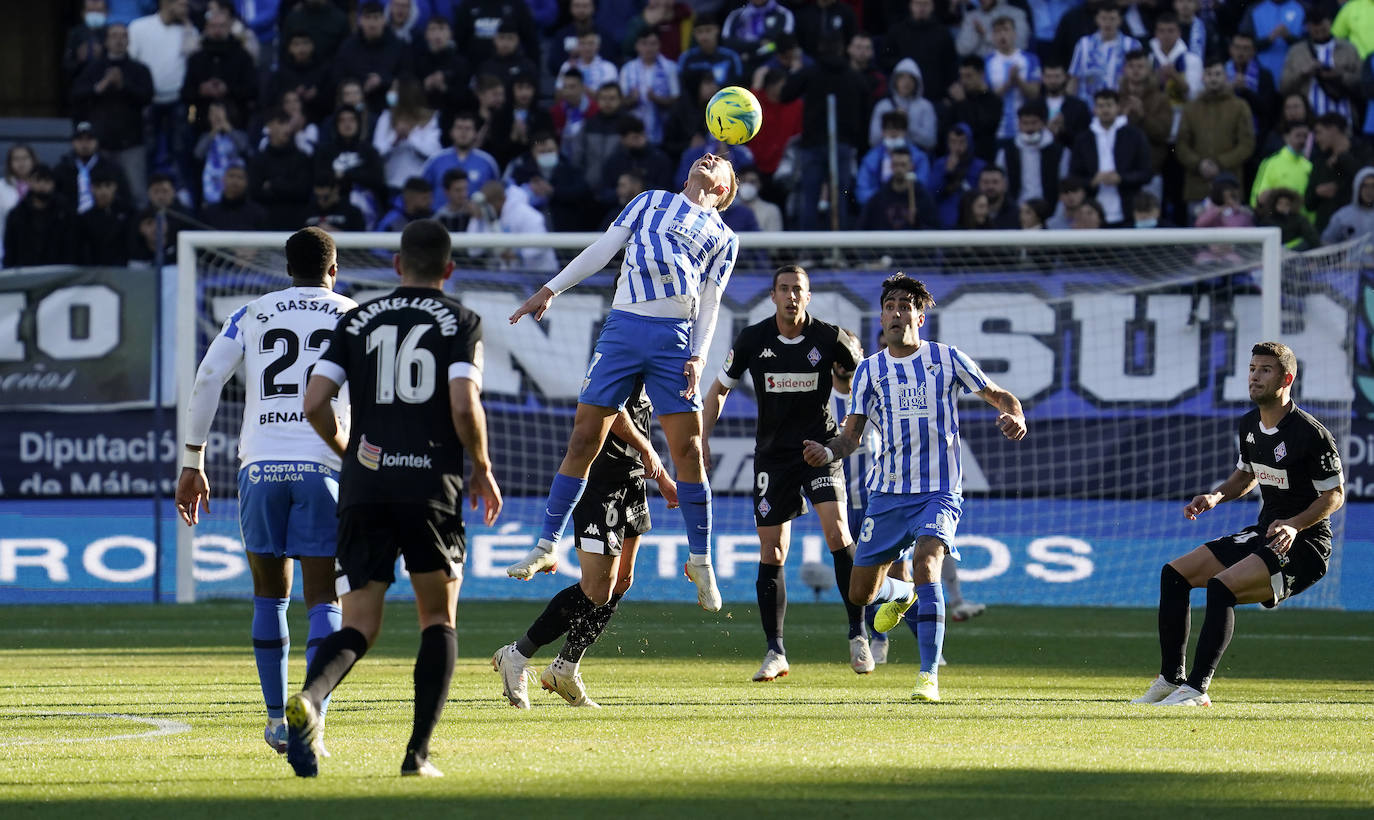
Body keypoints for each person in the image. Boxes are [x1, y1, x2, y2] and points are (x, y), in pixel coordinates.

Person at [287, 219, 501, 778]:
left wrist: (348, 449)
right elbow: (462, 404)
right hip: (430, 484)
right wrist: (480, 466)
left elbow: (314, 401)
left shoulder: (356, 318)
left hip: (366, 484)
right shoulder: (461, 320)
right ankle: (416, 756)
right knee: (437, 617)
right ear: (448, 270)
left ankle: (310, 698)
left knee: (359, 621)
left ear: (397, 266)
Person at [505, 153, 740, 612]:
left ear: (725, 190)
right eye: (704, 155)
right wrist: (550, 289)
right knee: (584, 437)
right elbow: (601, 250)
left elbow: (711, 301)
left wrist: (699, 354)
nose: (708, 157)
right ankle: (547, 543)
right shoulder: (649, 201)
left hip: (674, 338)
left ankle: (700, 559)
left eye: (720, 163)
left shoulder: (724, 237)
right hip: (624, 327)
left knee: (689, 451)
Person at [802, 274, 1026, 702]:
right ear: (882, 316)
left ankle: (928, 676)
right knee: (860, 593)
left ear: (920, 316)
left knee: (926, 566)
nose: (897, 311)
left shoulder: (948, 359)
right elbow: (850, 438)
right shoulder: (869, 370)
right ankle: (901, 594)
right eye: (890, 305)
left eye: (906, 305)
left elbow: (1001, 396)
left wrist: (1015, 416)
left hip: (939, 490)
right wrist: (827, 452)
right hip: (887, 493)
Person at [176, 227, 356, 757]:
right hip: (323, 464)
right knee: (323, 596)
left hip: (261, 466)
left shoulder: (253, 312)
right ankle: (313, 712)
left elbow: (209, 376)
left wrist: (192, 462)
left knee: (269, 596)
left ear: (287, 268)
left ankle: (278, 720)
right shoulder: (352, 313)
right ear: (334, 268)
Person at [1133, 342, 1344, 707]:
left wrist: (1294, 525)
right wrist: (1215, 497)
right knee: (1175, 574)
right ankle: (1171, 678)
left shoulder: (1311, 433)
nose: (1254, 376)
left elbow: (1335, 496)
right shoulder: (1249, 423)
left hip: (1304, 544)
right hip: (1264, 532)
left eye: (1265, 370)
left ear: (1286, 378)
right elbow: (1245, 474)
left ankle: (1197, 690)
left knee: (1221, 588)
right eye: (1251, 369)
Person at [701, 266, 871, 680]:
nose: (791, 296)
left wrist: (845, 432)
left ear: (808, 297)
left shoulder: (830, 338)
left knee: (838, 534)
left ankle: (858, 633)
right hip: (774, 457)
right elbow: (719, 390)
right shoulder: (753, 339)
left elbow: (862, 385)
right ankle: (775, 651)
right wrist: (701, 440)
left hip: (820, 449)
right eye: (784, 289)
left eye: (799, 290)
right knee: (773, 551)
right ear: (773, 296)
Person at [493, 380, 678, 708]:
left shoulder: (657, 355)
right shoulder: (623, 347)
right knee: (596, 588)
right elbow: (612, 409)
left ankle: (565, 668)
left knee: (622, 580)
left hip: (632, 478)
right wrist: (651, 452)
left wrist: (656, 471)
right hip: (601, 480)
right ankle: (517, 655)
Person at [70, 23, 153, 203]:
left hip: (131, 144)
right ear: (106, 41)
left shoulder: (139, 69)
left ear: (129, 40)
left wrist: (124, 86)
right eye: (114, 36)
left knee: (137, 194)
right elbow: (77, 95)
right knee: (96, 194)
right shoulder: (93, 69)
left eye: (123, 36)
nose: (119, 40)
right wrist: (100, 86)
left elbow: (147, 97)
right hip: (100, 144)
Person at [1175, 59, 1256, 210]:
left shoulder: (1240, 107)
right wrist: (1200, 164)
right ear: (1202, 78)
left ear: (1226, 77)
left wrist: (1219, 163)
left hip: (1230, 187)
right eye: (1209, 74)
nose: (1213, 78)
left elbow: (1247, 145)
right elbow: (1180, 145)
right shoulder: (1190, 108)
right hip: (1197, 187)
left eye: (1218, 74)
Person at [1070, 89, 1153, 226]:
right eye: (1101, 106)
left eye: (1109, 105)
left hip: (1128, 210)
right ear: (1094, 109)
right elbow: (1074, 176)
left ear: (1118, 107)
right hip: (1093, 212)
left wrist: (1121, 178)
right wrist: (1092, 181)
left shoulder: (1134, 135)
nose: (1105, 110)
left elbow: (1146, 173)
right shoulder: (1083, 139)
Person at [1306, 113, 1372, 232]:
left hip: (1357, 234)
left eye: (1319, 132)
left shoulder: (1364, 151)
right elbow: (1308, 203)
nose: (1316, 139)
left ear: (1333, 130)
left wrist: (1343, 158)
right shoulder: (1320, 160)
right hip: (1324, 234)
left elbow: (1365, 178)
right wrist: (1318, 192)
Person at [419, 112, 500, 206]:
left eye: (468, 129)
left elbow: (495, 193)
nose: (463, 132)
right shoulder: (436, 160)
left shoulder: (487, 162)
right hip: (438, 218)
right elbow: (421, 190)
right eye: (459, 128)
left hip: (475, 219)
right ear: (451, 132)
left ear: (475, 133)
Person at [1068, 3, 1141, 102]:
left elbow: (1140, 79)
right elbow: (1074, 78)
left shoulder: (1132, 45)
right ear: (1097, 19)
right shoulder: (1083, 44)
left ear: (1120, 20)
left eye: (1112, 19)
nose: (1107, 23)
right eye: (1104, 18)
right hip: (1087, 105)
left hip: (1120, 105)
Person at [1321, 166, 1374, 244]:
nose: (1369, 191)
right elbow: (1326, 242)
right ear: (1357, 187)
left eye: (1373, 186)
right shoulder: (1343, 216)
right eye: (1365, 186)